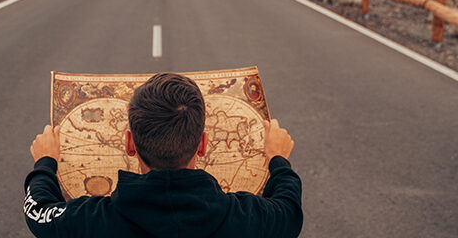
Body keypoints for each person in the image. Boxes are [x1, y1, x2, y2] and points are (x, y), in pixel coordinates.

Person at [24, 73, 302, 237]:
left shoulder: (91, 220)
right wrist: (278, 160)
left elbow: (38, 213)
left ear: (129, 144)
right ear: (203, 145)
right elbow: (289, 211)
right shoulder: (245, 218)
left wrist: (45, 162)